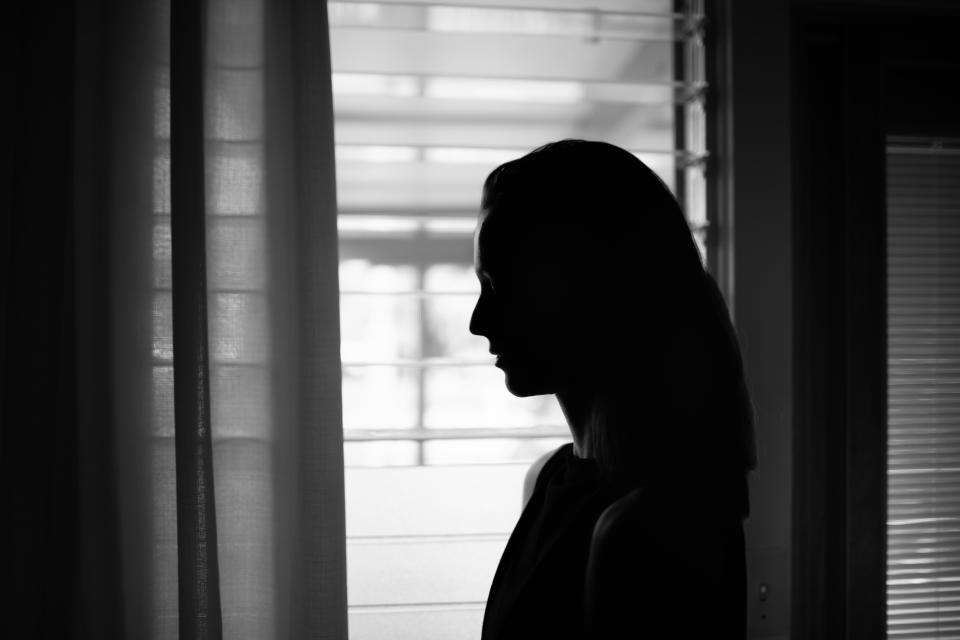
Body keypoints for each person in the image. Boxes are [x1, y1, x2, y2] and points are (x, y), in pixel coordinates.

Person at [469, 139, 757, 639]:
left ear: (591, 289)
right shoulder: (550, 479)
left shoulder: (651, 529)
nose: (478, 322)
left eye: (501, 287)